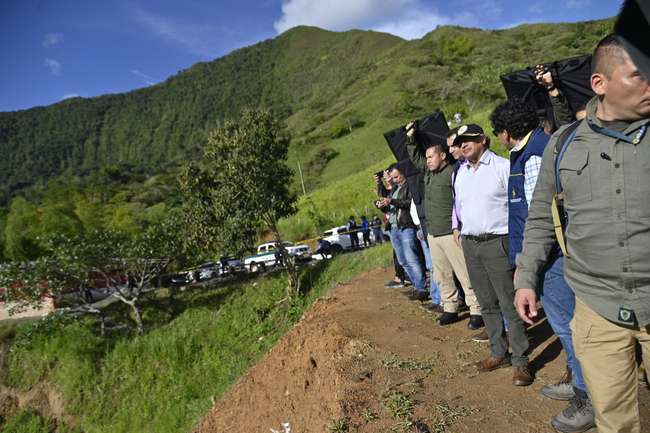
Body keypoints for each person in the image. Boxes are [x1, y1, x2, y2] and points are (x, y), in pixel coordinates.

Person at [515, 34, 650, 433]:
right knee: (614, 420)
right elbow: (541, 217)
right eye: (640, 76)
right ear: (600, 84)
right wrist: (526, 278)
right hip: (597, 306)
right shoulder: (563, 145)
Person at [490, 98, 594, 431]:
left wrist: (528, 266)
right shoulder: (528, 152)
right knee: (566, 327)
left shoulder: (536, 156)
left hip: (549, 259)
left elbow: (543, 217)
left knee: (567, 326)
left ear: (506, 133)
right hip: (542, 257)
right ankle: (578, 380)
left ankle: (588, 396)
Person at [453, 124, 532, 386]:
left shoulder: (502, 167)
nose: (464, 144)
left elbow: (518, 207)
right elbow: (461, 206)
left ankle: (521, 361)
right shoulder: (461, 173)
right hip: (471, 244)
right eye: (460, 141)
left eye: (469, 140)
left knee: (508, 303)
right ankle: (499, 352)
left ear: (483, 141)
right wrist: (460, 230)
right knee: (486, 302)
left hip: (497, 242)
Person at [405, 122, 483, 327]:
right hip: (433, 234)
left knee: (464, 273)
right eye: (427, 157)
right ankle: (450, 307)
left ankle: (476, 309)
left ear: (443, 156)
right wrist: (411, 137)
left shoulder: (453, 172)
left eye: (431, 157)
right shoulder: (429, 173)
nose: (427, 161)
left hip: (451, 233)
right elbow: (415, 157)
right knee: (442, 275)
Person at [376, 165, 427, 298]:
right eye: (393, 177)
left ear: (403, 173)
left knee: (412, 259)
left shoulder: (409, 186)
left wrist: (391, 201)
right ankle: (416, 286)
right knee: (403, 261)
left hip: (406, 226)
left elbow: (409, 203)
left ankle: (421, 288)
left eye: (397, 176)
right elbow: (390, 205)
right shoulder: (395, 188)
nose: (395, 180)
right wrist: (383, 205)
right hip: (394, 227)